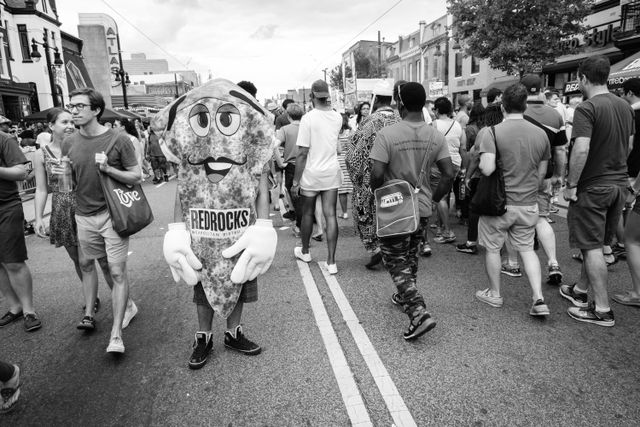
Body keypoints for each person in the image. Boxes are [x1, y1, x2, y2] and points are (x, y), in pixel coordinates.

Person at [153, 78, 277, 370]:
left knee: (240, 278)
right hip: (202, 232)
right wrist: (176, 230)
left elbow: (261, 188)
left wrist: (264, 226)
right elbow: (183, 190)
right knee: (201, 282)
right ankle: (203, 337)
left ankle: (234, 333)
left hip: (240, 230)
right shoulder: (193, 151)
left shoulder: (253, 145)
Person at [370, 82, 454, 339]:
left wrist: (380, 192)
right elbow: (449, 173)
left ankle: (418, 312)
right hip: (424, 205)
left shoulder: (388, 135)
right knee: (411, 255)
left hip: (396, 206)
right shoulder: (436, 135)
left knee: (394, 259)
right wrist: (436, 197)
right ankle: (405, 294)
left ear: (400, 103)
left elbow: (376, 174)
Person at [560, 56, 634, 327]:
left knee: (591, 247)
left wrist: (571, 185)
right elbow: (628, 146)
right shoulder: (624, 106)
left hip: (594, 186)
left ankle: (602, 309)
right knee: (598, 243)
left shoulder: (586, 108)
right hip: (618, 184)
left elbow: (581, 148)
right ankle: (580, 290)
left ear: (583, 78)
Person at [66, 87, 141, 353]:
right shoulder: (69, 142)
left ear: (96, 110)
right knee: (105, 268)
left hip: (112, 214)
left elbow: (136, 176)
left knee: (118, 271)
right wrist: (60, 175)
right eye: (71, 106)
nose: (73, 111)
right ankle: (128, 305)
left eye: (79, 106)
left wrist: (108, 168)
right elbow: (71, 182)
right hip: (83, 216)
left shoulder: (118, 140)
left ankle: (116, 334)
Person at [33, 108, 118, 328]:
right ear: (51, 126)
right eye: (64, 122)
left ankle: (103, 308)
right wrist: (39, 217)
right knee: (79, 262)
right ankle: (93, 299)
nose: (70, 125)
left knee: (90, 260)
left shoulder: (80, 146)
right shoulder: (41, 154)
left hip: (85, 205)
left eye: (72, 121)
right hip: (61, 210)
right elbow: (41, 189)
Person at [475, 83, 551, 317]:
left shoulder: (492, 132)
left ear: (503, 105)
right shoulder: (540, 134)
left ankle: (495, 294)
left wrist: (480, 161)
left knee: (493, 248)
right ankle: (538, 297)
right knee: (527, 250)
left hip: (499, 204)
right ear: (525, 105)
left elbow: (487, 169)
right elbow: (541, 174)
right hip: (528, 203)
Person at [500, 74, 566, 284]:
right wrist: (558, 175)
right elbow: (561, 150)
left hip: (517, 178)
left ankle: (512, 263)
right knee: (542, 218)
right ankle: (553, 262)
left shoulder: (516, 111)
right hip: (544, 176)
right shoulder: (555, 115)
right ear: (541, 89)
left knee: (512, 221)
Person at [345, 81, 400, 269]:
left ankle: (375, 248)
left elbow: (353, 156)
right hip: (398, 179)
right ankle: (394, 251)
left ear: (374, 99)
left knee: (364, 211)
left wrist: (358, 181)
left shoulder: (369, 122)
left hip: (372, 178)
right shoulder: (400, 120)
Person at [292, 79, 343, 274]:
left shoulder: (308, 118)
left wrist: (296, 181)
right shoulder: (337, 117)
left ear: (312, 95)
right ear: (327, 95)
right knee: (330, 214)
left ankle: (305, 251)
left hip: (312, 174)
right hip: (331, 172)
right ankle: (331, 261)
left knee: (307, 213)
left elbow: (303, 153)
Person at [0, 123, 40, 332]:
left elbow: (22, 172)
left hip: (6, 206)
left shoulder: (3, 139)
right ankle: (14, 307)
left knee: (13, 261)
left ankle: (28, 311)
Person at [612, 78, 640, 307]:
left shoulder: (630, 114)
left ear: (629, 92)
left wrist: (635, 187)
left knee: (633, 239)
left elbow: (628, 146)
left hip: (630, 173)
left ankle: (638, 293)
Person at [431, 97, 467, 244]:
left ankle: (447, 231)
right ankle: (440, 227)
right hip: (455, 164)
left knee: (439, 197)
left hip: (439, 164)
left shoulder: (434, 125)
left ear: (437, 110)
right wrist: (464, 167)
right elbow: (463, 148)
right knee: (446, 195)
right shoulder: (458, 125)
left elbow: (430, 147)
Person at [456, 102, 486, 255]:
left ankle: (471, 241)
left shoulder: (475, 129)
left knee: (474, 206)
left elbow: (473, 154)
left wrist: (466, 175)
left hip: (478, 173)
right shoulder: (499, 129)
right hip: (496, 177)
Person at [275, 102, 304, 234]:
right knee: (307, 195)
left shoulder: (284, 129)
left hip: (292, 165)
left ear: (288, 116)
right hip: (308, 164)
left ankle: (299, 225)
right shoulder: (307, 127)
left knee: (295, 196)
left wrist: (280, 163)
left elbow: (274, 145)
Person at [337, 113, 353, 219]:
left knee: (342, 189)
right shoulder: (350, 132)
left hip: (338, 160)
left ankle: (344, 212)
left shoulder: (334, 133)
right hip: (349, 160)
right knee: (352, 188)